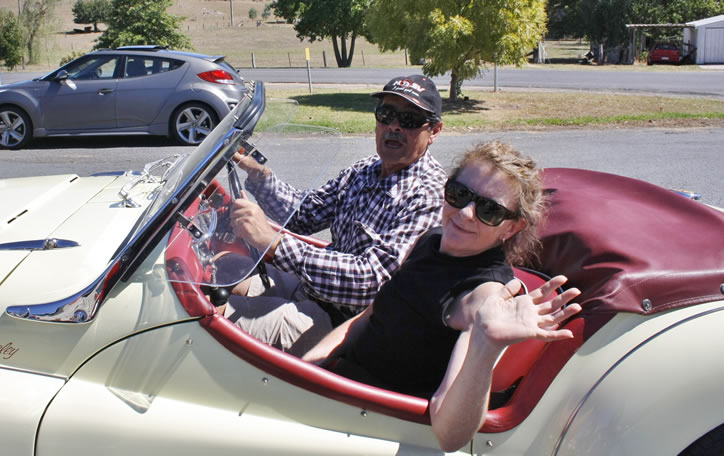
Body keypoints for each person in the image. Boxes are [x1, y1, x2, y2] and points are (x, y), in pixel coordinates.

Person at [301, 141, 583, 452]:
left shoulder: (485, 294)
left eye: (489, 210)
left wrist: (487, 345)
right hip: (339, 388)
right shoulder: (431, 240)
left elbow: (451, 436)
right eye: (459, 194)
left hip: (373, 424)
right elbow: (369, 318)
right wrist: (306, 368)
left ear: (512, 227)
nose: (465, 213)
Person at [222, 75, 448, 356]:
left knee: (210, 318)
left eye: (410, 119)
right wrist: (259, 174)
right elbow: (304, 215)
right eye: (386, 114)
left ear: (434, 131)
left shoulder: (429, 196)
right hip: (314, 291)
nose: (393, 126)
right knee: (226, 270)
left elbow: (370, 283)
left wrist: (274, 243)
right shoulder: (365, 170)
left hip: (349, 327)